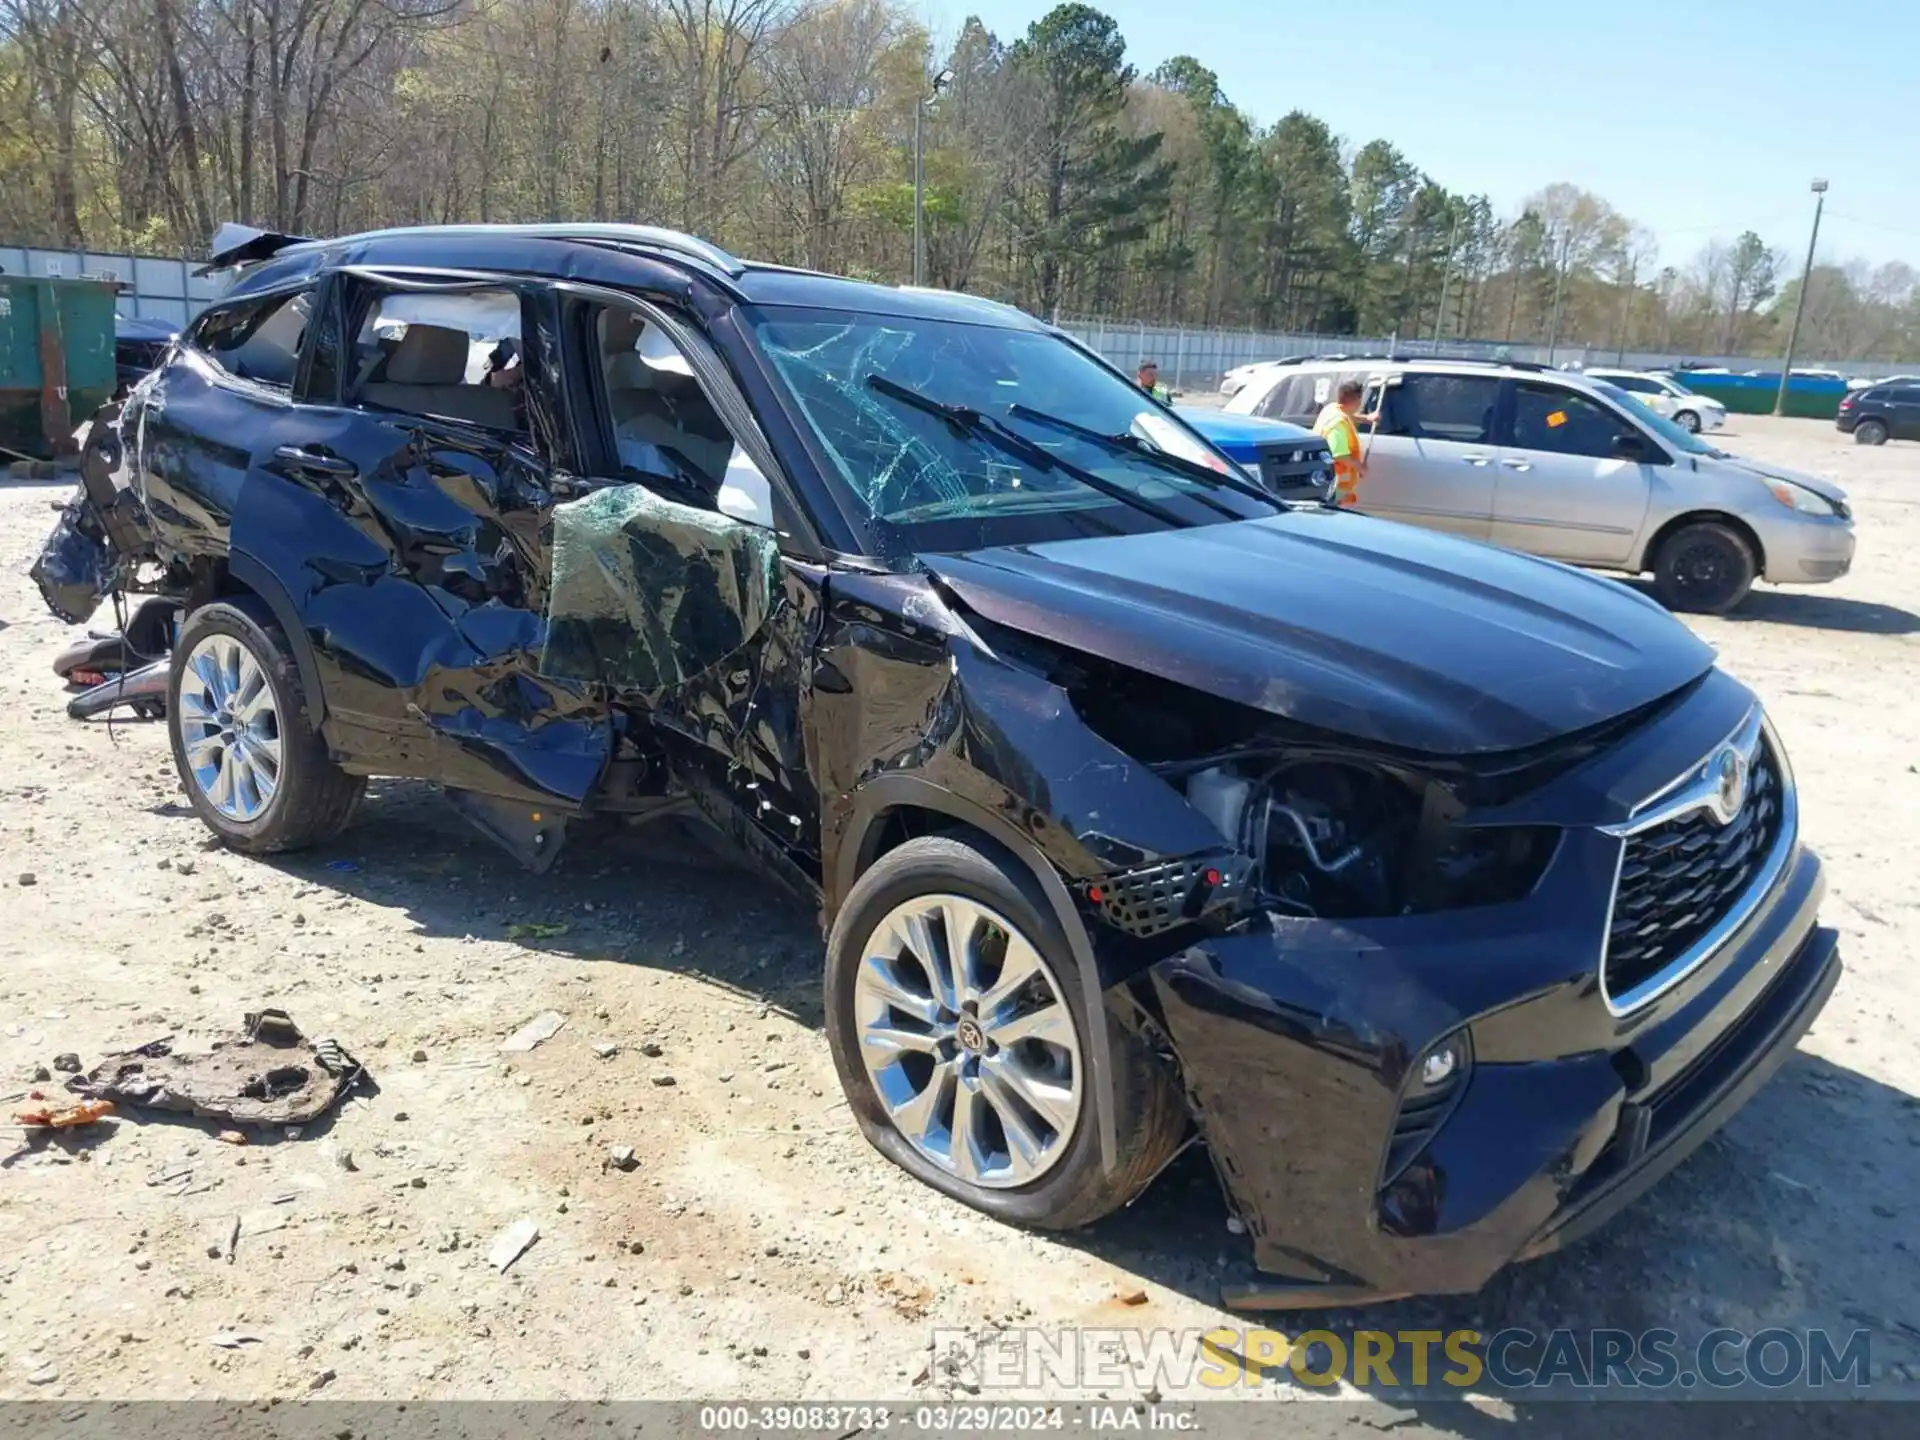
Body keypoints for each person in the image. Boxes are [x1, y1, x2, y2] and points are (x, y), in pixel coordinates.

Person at [1313, 379, 1375, 508]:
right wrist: (1360, 468)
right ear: (1357, 401)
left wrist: (1367, 419)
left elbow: (1347, 414)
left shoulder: (1331, 409)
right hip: (1335, 483)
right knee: (1333, 515)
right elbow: (1339, 455)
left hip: (1327, 480)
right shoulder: (1338, 424)